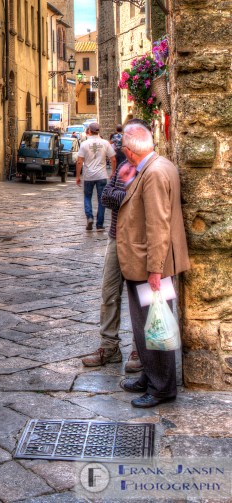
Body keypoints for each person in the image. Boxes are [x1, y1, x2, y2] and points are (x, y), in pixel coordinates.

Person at [116, 123, 190, 407]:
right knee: (144, 325)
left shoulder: (154, 173)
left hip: (150, 265)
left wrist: (155, 270)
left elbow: (158, 225)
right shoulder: (157, 165)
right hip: (147, 263)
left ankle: (162, 388)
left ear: (127, 152)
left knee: (154, 326)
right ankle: (150, 377)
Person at [81, 119, 150, 371]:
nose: (124, 144)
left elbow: (142, 204)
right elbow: (108, 197)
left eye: (129, 138)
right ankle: (109, 347)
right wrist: (128, 195)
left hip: (139, 242)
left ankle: (139, 350)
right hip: (115, 236)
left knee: (140, 298)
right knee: (109, 294)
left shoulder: (149, 169)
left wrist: (126, 195)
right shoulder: (122, 166)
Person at [75, 122, 116, 231]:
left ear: (89, 131)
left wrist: (78, 176)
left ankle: (89, 217)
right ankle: (99, 225)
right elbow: (113, 159)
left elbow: (79, 161)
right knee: (102, 200)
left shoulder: (84, 144)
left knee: (87, 197)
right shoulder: (105, 143)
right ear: (99, 130)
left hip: (88, 176)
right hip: (102, 175)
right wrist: (113, 172)